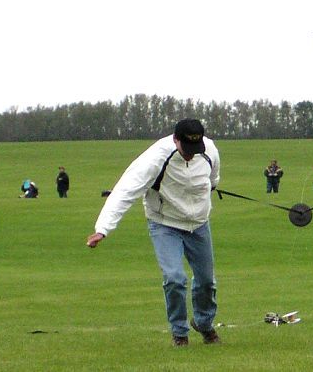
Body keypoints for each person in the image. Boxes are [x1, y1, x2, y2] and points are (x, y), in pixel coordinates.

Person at [85, 118, 221, 347]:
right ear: (176, 140)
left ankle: (204, 324)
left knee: (207, 281)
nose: (190, 155)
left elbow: (213, 180)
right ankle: (180, 333)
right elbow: (125, 191)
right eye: (186, 149)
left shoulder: (209, 151)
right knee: (174, 278)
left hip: (198, 223)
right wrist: (103, 229)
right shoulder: (156, 157)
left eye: (194, 151)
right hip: (164, 223)